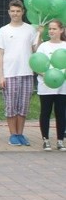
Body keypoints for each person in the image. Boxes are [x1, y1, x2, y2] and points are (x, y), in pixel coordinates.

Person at [0, 0, 37, 146]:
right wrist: (1, 75)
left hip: (26, 73)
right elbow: (0, 53)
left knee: (23, 106)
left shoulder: (30, 29)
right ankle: (13, 134)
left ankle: (20, 134)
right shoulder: (3, 30)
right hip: (9, 73)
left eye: (18, 11)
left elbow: (36, 50)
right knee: (11, 106)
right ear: (9, 12)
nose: (15, 14)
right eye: (12, 11)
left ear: (22, 12)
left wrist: (41, 35)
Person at [33, 20, 65, 151]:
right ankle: (45, 139)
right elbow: (36, 63)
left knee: (61, 113)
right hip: (45, 85)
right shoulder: (43, 46)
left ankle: (60, 140)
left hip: (62, 85)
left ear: (61, 30)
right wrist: (44, 74)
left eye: (54, 29)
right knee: (45, 112)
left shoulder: (65, 46)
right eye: (50, 29)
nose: (51, 31)